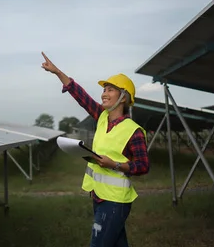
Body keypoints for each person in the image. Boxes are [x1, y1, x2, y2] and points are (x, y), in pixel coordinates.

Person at [41, 52, 149, 247]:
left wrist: (114, 164)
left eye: (109, 90)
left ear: (123, 97)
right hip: (98, 195)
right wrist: (57, 72)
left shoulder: (134, 132)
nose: (103, 94)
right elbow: (80, 95)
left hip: (115, 202)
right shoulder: (102, 117)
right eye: (104, 90)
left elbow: (143, 166)